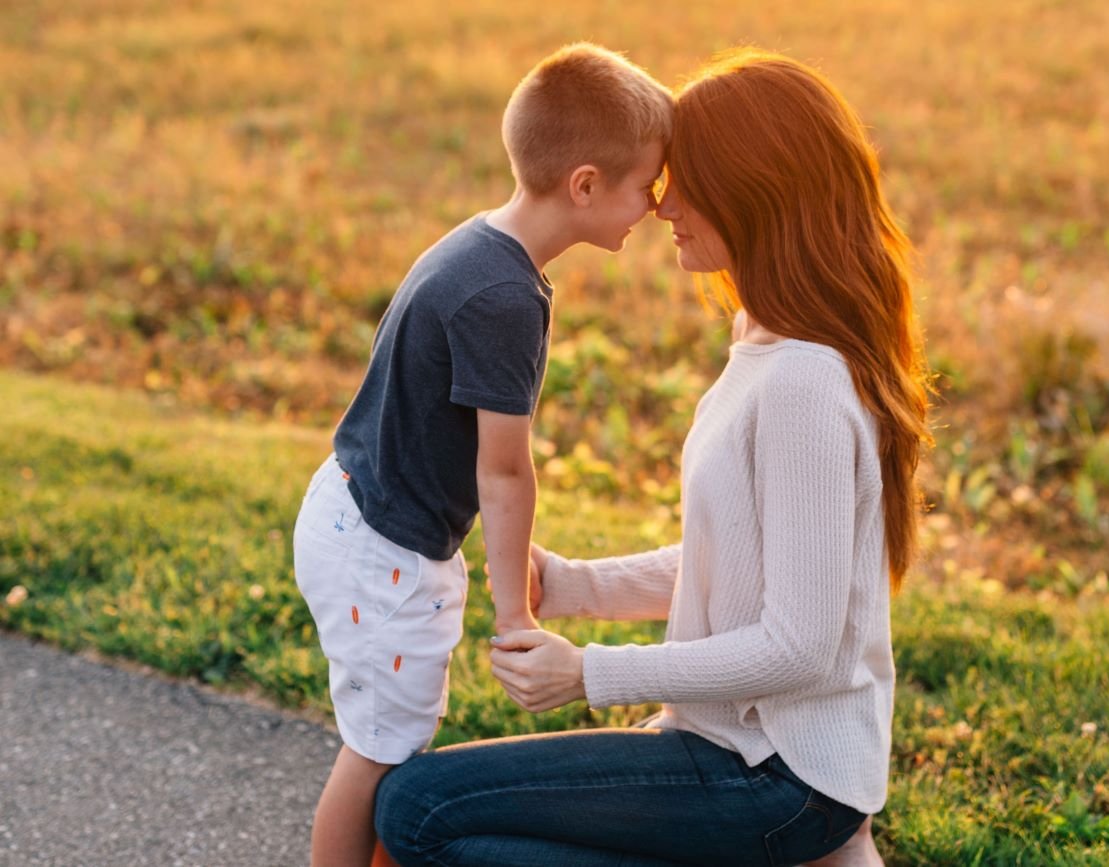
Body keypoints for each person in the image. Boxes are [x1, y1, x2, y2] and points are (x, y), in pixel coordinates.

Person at [373, 48, 931, 867]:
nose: (663, 204)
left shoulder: (804, 383)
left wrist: (590, 672)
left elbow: (802, 645)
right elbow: (735, 564)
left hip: (778, 778)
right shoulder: (764, 341)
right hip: (736, 750)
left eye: (684, 179)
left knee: (420, 811)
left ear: (754, 192)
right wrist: (571, 584)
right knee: (437, 815)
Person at [292, 44, 671, 867]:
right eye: (649, 184)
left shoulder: (483, 247)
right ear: (585, 185)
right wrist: (514, 618)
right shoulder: (504, 297)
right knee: (381, 751)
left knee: (392, 739)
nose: (655, 204)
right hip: (383, 548)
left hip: (361, 513)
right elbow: (503, 471)